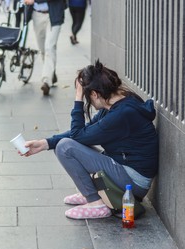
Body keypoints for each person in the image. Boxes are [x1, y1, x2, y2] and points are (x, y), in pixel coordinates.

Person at [19, 60, 159, 219]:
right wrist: (45, 143)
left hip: (133, 183)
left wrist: (77, 98)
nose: (87, 101)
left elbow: (78, 135)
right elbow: (85, 131)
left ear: (94, 93)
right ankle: (93, 193)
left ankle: (96, 202)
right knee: (64, 144)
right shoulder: (118, 103)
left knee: (65, 147)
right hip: (125, 170)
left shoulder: (122, 114)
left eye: (86, 96)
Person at [23, 0, 66, 96]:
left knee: (49, 47)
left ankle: (46, 81)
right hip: (36, 15)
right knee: (42, 49)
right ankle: (51, 73)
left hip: (54, 15)